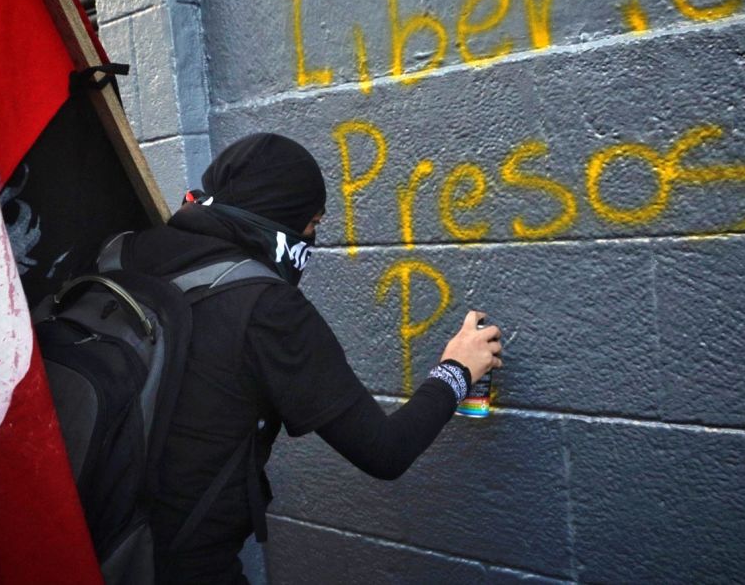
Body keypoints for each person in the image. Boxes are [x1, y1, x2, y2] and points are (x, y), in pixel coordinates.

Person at [114, 132, 502, 583]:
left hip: (93, 540)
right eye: (312, 222)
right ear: (281, 219)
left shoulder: (129, 253)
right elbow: (384, 450)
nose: (314, 237)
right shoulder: (265, 306)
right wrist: (457, 370)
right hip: (184, 567)